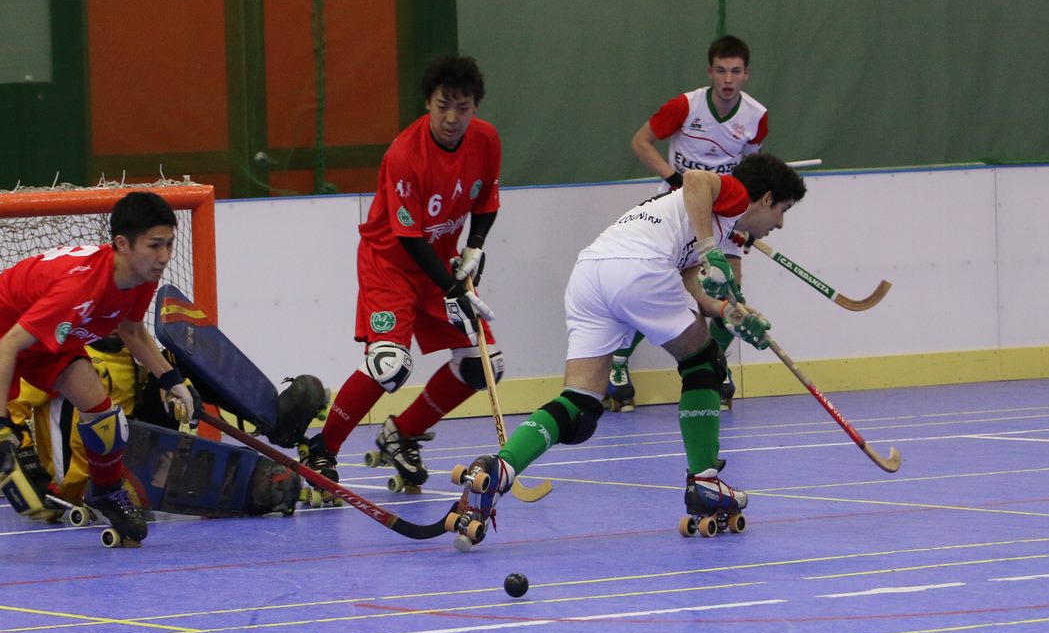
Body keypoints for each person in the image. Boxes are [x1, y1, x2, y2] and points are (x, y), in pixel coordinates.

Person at [450, 153, 805, 543]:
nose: (779, 224)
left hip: (591, 275)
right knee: (704, 363)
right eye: (783, 210)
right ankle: (705, 481)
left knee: (581, 405)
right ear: (766, 198)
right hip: (638, 268)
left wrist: (731, 313)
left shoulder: (702, 220)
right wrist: (709, 250)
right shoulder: (732, 197)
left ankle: (499, 469)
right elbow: (696, 178)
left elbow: (691, 286)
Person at [0, 190, 194, 556]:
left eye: (169, 244)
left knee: (106, 420)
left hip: (45, 338)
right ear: (123, 243)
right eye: (154, 245)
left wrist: (172, 380)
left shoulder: (140, 275)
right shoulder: (79, 287)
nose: (164, 256)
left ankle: (106, 492)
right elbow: (8, 345)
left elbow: (131, 329)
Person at [301, 54, 503, 492]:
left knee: (483, 366)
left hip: (439, 264)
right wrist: (452, 289)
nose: (452, 118)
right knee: (390, 365)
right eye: (443, 106)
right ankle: (322, 448)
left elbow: (486, 201)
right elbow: (409, 237)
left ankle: (402, 433)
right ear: (428, 102)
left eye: (463, 108)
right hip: (389, 264)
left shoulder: (486, 140)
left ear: (476, 107)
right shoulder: (404, 155)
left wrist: (474, 247)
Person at [611, 34, 769, 411]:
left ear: (746, 74)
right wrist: (674, 178)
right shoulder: (685, 106)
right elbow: (641, 142)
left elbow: (751, 172)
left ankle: (717, 362)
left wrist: (746, 222)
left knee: (731, 295)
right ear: (709, 71)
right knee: (664, 292)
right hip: (680, 211)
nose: (728, 80)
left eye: (735, 72)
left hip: (726, 213)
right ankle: (618, 362)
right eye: (721, 71)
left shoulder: (756, 117)